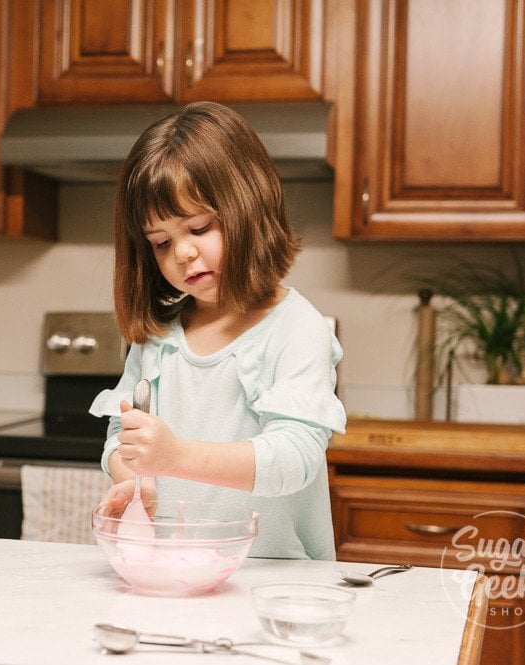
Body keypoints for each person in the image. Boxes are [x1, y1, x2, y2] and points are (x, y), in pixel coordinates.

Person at [89, 101, 346, 560]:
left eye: (199, 226)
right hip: (171, 572)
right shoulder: (157, 335)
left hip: (270, 583)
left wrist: (174, 457)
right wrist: (129, 478)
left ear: (249, 205)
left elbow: (296, 459)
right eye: (161, 243)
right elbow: (120, 434)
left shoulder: (296, 328)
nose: (182, 253)